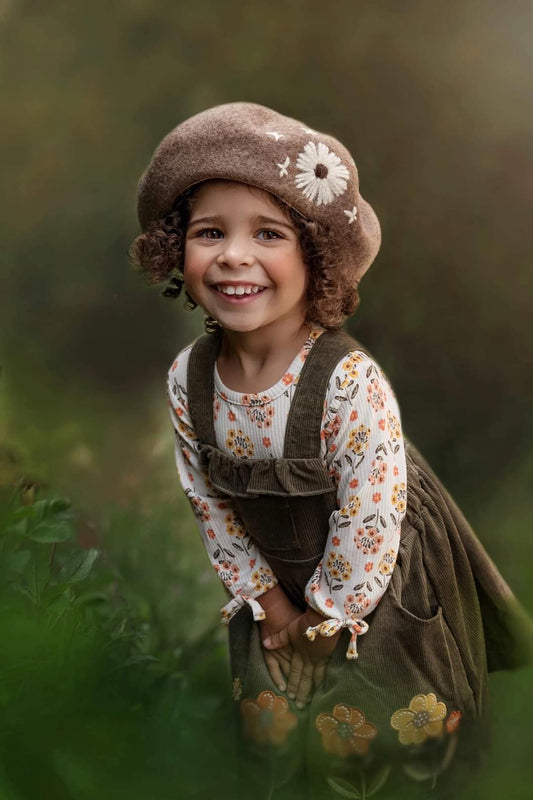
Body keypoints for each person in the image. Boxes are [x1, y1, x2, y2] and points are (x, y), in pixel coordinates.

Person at [129, 103, 532, 799]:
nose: (233, 255)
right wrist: (278, 611)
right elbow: (209, 502)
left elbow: (368, 515)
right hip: (275, 590)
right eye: (208, 233)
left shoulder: (346, 382)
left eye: (268, 233)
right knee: (273, 732)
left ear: (313, 255)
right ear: (176, 250)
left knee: (388, 731)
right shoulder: (187, 381)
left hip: (372, 580)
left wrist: (327, 617)